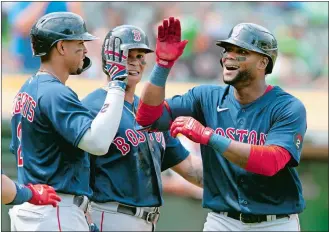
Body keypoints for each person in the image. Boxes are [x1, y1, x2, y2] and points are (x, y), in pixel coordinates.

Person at [136, 18, 307, 231]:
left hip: (275, 222)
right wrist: (162, 66)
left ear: (263, 62)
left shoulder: (287, 106)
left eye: (240, 51)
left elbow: (271, 162)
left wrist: (208, 137)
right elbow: (147, 118)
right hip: (222, 221)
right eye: (227, 49)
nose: (229, 56)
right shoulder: (206, 97)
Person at [9, 12, 129, 231]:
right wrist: (117, 85)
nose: (84, 49)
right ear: (61, 47)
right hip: (54, 208)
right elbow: (98, 143)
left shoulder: (27, 89)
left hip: (36, 207)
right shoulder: (55, 92)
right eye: (79, 43)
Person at [81, 25, 203, 231]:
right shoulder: (91, 106)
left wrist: (233, 179)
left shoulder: (148, 111)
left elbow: (189, 167)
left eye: (140, 56)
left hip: (148, 221)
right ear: (108, 59)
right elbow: (74, 171)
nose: (135, 62)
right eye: (127, 55)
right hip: (108, 215)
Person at [7, 2, 83, 72]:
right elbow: (22, 28)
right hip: (26, 68)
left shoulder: (65, 3)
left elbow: (79, 33)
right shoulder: (23, 3)